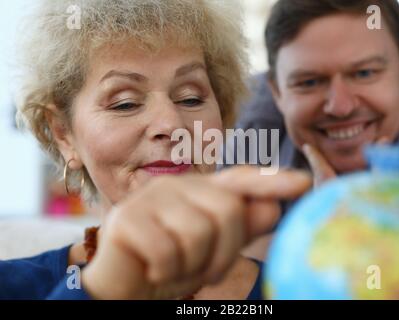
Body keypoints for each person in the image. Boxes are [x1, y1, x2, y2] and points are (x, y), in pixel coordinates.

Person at [0, 0, 311, 300]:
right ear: (63, 134)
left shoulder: (302, 289)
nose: (171, 124)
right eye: (126, 103)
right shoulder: (12, 286)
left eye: (191, 98)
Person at [235, 0, 399, 260]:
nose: (341, 107)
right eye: (310, 82)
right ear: (277, 92)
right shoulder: (238, 136)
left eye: (364, 73)